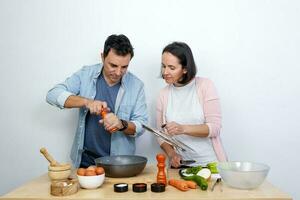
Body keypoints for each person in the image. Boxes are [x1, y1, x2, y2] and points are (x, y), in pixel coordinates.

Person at [46, 34, 148, 168]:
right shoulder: (85, 74)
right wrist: (87, 102)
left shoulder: (137, 85)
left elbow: (141, 126)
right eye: (113, 65)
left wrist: (121, 124)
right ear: (102, 57)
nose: (118, 72)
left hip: (119, 165)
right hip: (84, 162)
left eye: (124, 67)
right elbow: (53, 95)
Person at [156, 42, 227, 168]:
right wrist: (172, 154)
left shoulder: (205, 86)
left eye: (171, 68)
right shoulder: (163, 94)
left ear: (185, 69)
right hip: (181, 167)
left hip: (211, 165)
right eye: (163, 66)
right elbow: (161, 135)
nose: (165, 72)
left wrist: (183, 129)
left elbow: (214, 128)